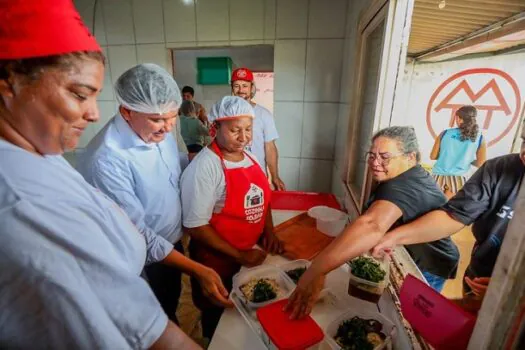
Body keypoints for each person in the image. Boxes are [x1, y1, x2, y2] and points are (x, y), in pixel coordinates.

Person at [0, 1, 199, 348]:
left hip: (166, 249)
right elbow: (133, 325)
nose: (93, 114)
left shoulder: (46, 156)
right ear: (9, 84)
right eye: (79, 95)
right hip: (143, 275)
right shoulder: (22, 198)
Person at [78, 64, 230, 325]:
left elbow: (169, 166)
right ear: (127, 111)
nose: (168, 127)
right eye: (158, 119)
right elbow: (139, 235)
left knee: (169, 301)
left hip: (170, 243)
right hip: (142, 260)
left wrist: (198, 161)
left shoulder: (157, 132)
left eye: (172, 117)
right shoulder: (108, 159)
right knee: (155, 320)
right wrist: (197, 270)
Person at [285, 126, 460, 319]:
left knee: (415, 317)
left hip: (430, 264)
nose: (375, 163)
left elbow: (372, 225)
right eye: (371, 155)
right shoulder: (404, 175)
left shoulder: (405, 185)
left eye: (385, 157)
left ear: (410, 157)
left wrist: (314, 272)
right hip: (421, 253)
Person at [373, 125, 525, 310]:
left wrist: (514, 291)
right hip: (479, 278)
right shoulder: (499, 169)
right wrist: (393, 237)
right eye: (524, 141)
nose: (523, 153)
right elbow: (453, 216)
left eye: (385, 156)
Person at [180, 96, 283, 339]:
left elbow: (262, 197)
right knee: (219, 320)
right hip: (217, 259)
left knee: (246, 318)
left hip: (249, 253)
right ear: (216, 128)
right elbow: (196, 226)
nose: (244, 137)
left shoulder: (251, 158)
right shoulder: (206, 166)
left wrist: (269, 231)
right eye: (235, 130)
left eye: (248, 129)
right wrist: (240, 255)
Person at [230, 67, 285, 190]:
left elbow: (270, 147)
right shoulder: (225, 114)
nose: (241, 90)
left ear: (252, 87)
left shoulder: (263, 114)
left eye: (245, 85)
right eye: (236, 86)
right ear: (232, 88)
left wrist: (275, 176)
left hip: (256, 177)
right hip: (230, 176)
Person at [431, 105, 487, 197]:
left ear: (458, 118)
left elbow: (433, 156)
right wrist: (467, 159)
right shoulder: (480, 138)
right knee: (449, 209)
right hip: (459, 179)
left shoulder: (445, 133)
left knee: (432, 207)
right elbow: (481, 163)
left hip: (437, 176)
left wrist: (446, 156)